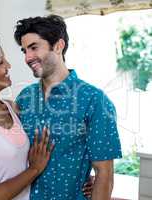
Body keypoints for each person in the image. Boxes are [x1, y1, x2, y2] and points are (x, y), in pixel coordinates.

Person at [0, 33, 93, 200]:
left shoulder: (13, 108)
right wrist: (34, 169)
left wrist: (80, 177)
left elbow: (55, 145)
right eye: (0, 62)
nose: (8, 65)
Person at [14, 15, 122, 200]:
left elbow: (104, 173)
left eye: (34, 47)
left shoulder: (94, 100)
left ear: (58, 45)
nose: (28, 57)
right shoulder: (24, 98)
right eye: (24, 51)